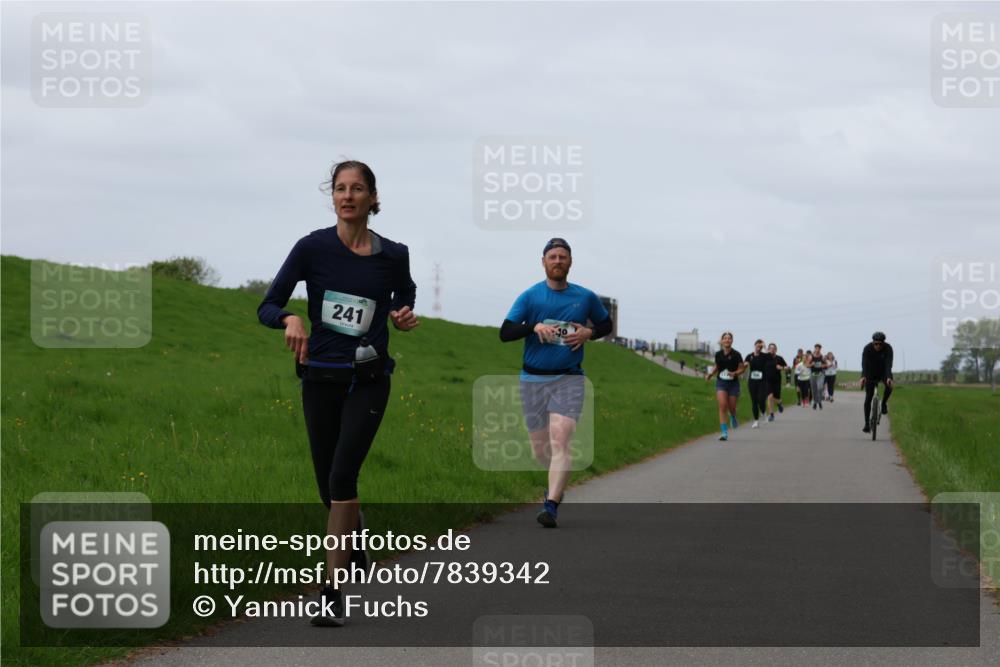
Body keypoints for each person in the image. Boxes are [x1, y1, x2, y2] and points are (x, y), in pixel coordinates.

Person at [257, 160, 419, 626]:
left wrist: (402, 316)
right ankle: (356, 534)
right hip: (319, 378)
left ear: (373, 198)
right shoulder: (312, 248)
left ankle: (331, 592)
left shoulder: (394, 254)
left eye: (357, 189)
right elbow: (268, 304)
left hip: (368, 380)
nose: (347, 196)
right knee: (326, 485)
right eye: (340, 188)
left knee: (343, 478)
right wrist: (289, 318)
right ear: (333, 197)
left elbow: (403, 298)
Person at [500, 238, 612, 528]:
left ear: (570, 262)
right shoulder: (530, 297)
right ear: (543, 262)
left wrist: (589, 332)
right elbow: (506, 331)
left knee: (561, 439)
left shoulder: (585, 297)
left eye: (563, 256)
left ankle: (550, 505)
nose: (558, 261)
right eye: (553, 256)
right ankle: (555, 485)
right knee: (541, 451)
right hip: (532, 379)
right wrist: (532, 327)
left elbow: (606, 325)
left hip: (569, 378)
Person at [705, 332, 745, 441]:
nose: (727, 340)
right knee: (722, 405)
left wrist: (735, 373)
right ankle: (724, 432)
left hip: (733, 384)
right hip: (721, 382)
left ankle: (733, 416)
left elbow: (742, 368)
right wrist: (710, 374)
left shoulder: (737, 354)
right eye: (725, 338)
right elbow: (717, 366)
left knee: (732, 407)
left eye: (729, 338)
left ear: (732, 341)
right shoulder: (718, 354)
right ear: (722, 341)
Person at [861, 331, 894, 433]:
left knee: (890, 385)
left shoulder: (888, 348)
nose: (878, 346)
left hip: (883, 372)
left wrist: (888, 377)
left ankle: (883, 403)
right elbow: (864, 364)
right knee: (868, 398)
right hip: (870, 373)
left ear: (883, 343)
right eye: (876, 343)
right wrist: (863, 376)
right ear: (873, 342)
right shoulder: (867, 348)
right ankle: (867, 424)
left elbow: (889, 364)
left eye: (880, 344)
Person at [744, 339, 771, 428]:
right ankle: (756, 421)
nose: (758, 348)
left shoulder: (764, 356)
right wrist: (745, 365)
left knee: (761, 399)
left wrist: (765, 346)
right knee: (754, 401)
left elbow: (770, 357)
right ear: (754, 345)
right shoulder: (749, 356)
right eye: (757, 346)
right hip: (752, 381)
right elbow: (745, 364)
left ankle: (763, 413)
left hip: (762, 381)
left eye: (760, 346)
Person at [764, 342, 787, 421]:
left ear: (776, 350)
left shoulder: (779, 358)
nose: (772, 350)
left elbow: (787, 367)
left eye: (773, 349)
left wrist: (781, 367)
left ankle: (779, 403)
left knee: (776, 397)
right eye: (770, 348)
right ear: (768, 349)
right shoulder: (765, 358)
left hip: (777, 381)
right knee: (769, 397)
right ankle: (771, 414)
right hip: (767, 380)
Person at [808, 344, 828, 410]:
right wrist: (811, 364)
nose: (817, 350)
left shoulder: (822, 357)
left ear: (820, 349)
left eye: (818, 348)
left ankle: (819, 401)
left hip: (820, 374)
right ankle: (815, 403)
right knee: (814, 390)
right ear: (814, 349)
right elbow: (807, 365)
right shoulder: (811, 356)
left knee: (820, 387)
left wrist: (823, 366)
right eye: (816, 348)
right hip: (813, 374)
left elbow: (826, 364)